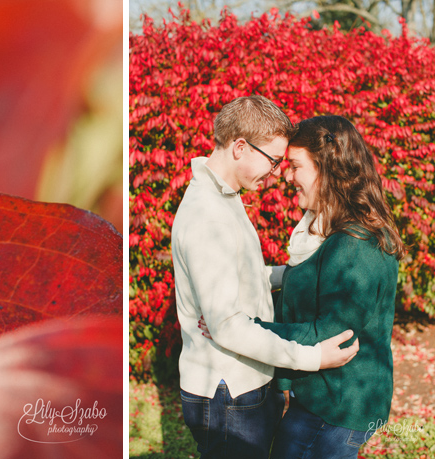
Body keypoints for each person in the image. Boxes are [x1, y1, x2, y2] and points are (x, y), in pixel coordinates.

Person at [170, 96, 358, 459]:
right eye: (273, 161)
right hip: (229, 393)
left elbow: (246, 275)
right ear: (240, 147)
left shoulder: (225, 198)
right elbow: (227, 327)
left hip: (246, 383)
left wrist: (305, 273)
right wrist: (313, 357)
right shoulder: (207, 216)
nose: (276, 174)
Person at [255, 115, 403, 458]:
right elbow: (305, 286)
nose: (286, 176)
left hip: (337, 409)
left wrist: (248, 331)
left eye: (295, 166)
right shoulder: (329, 230)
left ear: (327, 167)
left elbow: (331, 334)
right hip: (322, 400)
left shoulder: (354, 246)